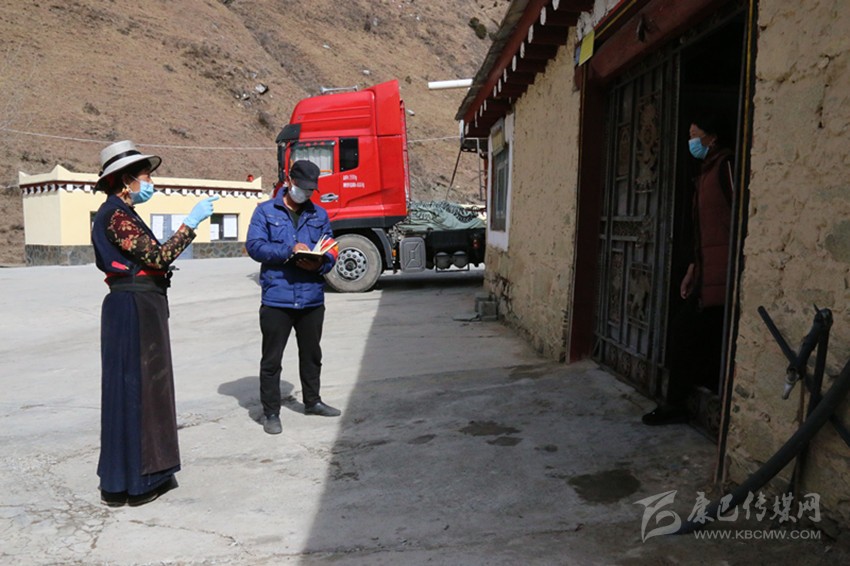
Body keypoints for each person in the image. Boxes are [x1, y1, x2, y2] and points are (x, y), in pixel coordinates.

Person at [91, 140, 218, 505]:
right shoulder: (115, 216)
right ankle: (137, 481)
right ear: (126, 179)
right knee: (139, 390)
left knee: (140, 389)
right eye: (145, 176)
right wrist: (191, 223)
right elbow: (158, 258)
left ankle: (130, 479)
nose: (150, 182)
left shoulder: (122, 213)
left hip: (139, 304)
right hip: (134, 307)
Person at [643, 115, 733, 426]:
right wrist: (694, 267)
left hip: (724, 273)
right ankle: (689, 400)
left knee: (688, 331)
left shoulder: (725, 166)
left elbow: (739, 216)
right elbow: (704, 231)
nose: (691, 142)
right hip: (708, 272)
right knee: (695, 333)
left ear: (712, 136)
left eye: (695, 135)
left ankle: (678, 403)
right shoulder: (705, 172)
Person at [246, 160, 341, 435]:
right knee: (272, 360)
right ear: (289, 181)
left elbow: (331, 247)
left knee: (311, 355)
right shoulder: (265, 211)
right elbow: (254, 246)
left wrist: (321, 263)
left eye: (311, 190)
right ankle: (271, 413)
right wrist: (290, 250)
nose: (306, 193)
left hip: (311, 298)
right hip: (278, 298)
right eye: (302, 187)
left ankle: (313, 402)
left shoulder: (319, 214)